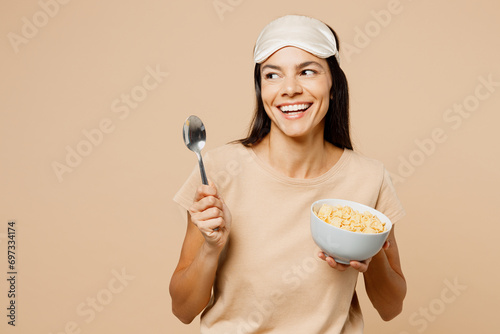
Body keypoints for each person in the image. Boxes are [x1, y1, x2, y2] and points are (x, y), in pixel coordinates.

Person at [170, 15, 406, 333]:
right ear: (261, 89)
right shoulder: (218, 170)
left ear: (334, 84)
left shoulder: (369, 178)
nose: (290, 89)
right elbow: (183, 309)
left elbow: (391, 307)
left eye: (307, 71)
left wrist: (371, 252)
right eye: (273, 75)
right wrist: (211, 248)